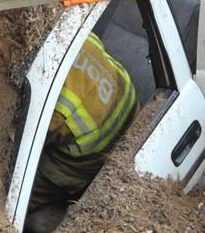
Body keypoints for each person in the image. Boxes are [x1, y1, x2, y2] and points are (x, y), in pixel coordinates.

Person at [26, 34, 137, 224]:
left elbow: (21, 145)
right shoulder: (68, 32)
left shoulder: (53, 107)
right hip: (126, 97)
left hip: (83, 162)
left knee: (21, 192)